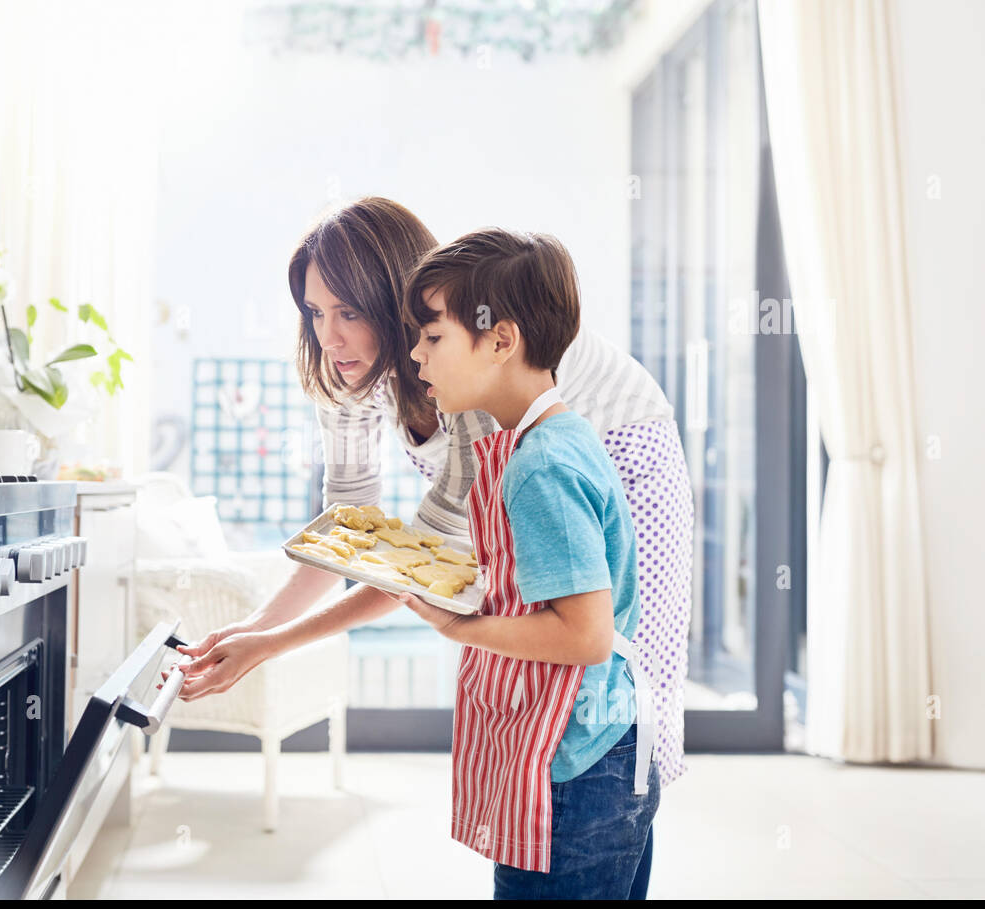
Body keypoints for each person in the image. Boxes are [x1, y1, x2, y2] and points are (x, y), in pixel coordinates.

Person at [175, 198, 693, 806]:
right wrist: (256, 627)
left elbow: (417, 566)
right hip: (531, 477)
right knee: (548, 672)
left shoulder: (470, 369)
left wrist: (272, 645)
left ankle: (607, 820)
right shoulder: (348, 372)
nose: (328, 336)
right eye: (314, 312)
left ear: (397, 305)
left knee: (616, 677)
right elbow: (350, 533)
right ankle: (570, 819)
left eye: (348, 311)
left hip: (625, 457)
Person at [392, 226, 657, 898]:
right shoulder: (554, 438)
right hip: (606, 752)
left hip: (574, 772)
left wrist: (460, 627)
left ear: (500, 340)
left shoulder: (539, 465)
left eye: (433, 336)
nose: (416, 356)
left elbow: (584, 634)